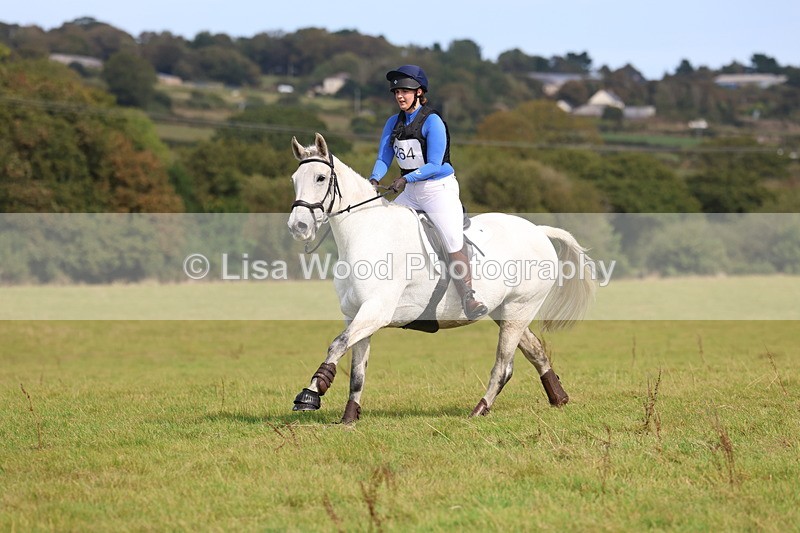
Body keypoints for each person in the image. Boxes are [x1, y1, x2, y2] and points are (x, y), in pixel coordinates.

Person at [369, 64, 488, 320]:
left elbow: (434, 164)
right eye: (396, 92)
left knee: (451, 237)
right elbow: (383, 157)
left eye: (405, 91)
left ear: (419, 92)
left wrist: (405, 178)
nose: (400, 96)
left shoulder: (432, 121)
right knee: (384, 227)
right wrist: (374, 178)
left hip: (438, 189)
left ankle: (469, 296)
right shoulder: (393, 123)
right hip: (411, 190)